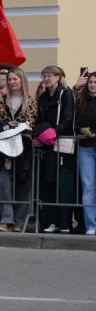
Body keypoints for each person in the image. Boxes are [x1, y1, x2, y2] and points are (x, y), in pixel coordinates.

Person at [0, 66, 37, 232]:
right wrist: (6, 126)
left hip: (23, 149)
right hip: (3, 149)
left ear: (22, 80)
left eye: (15, 79)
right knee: (3, 183)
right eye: (10, 79)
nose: (12, 82)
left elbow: (32, 124)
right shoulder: (1, 100)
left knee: (22, 185)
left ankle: (19, 221)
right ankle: (6, 219)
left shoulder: (30, 101)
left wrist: (20, 127)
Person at [36, 65, 77, 233]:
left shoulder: (66, 94)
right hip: (47, 146)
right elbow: (39, 119)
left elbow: (68, 118)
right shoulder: (44, 97)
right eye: (44, 75)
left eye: (50, 75)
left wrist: (53, 132)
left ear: (58, 77)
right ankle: (51, 221)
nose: (46, 78)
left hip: (63, 145)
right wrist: (40, 136)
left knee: (64, 184)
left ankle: (65, 223)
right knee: (48, 183)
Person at [75, 71, 96, 235]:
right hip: (86, 148)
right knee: (88, 186)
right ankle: (91, 225)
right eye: (90, 82)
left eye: (95, 82)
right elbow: (74, 123)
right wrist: (81, 129)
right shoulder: (81, 101)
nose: (92, 85)